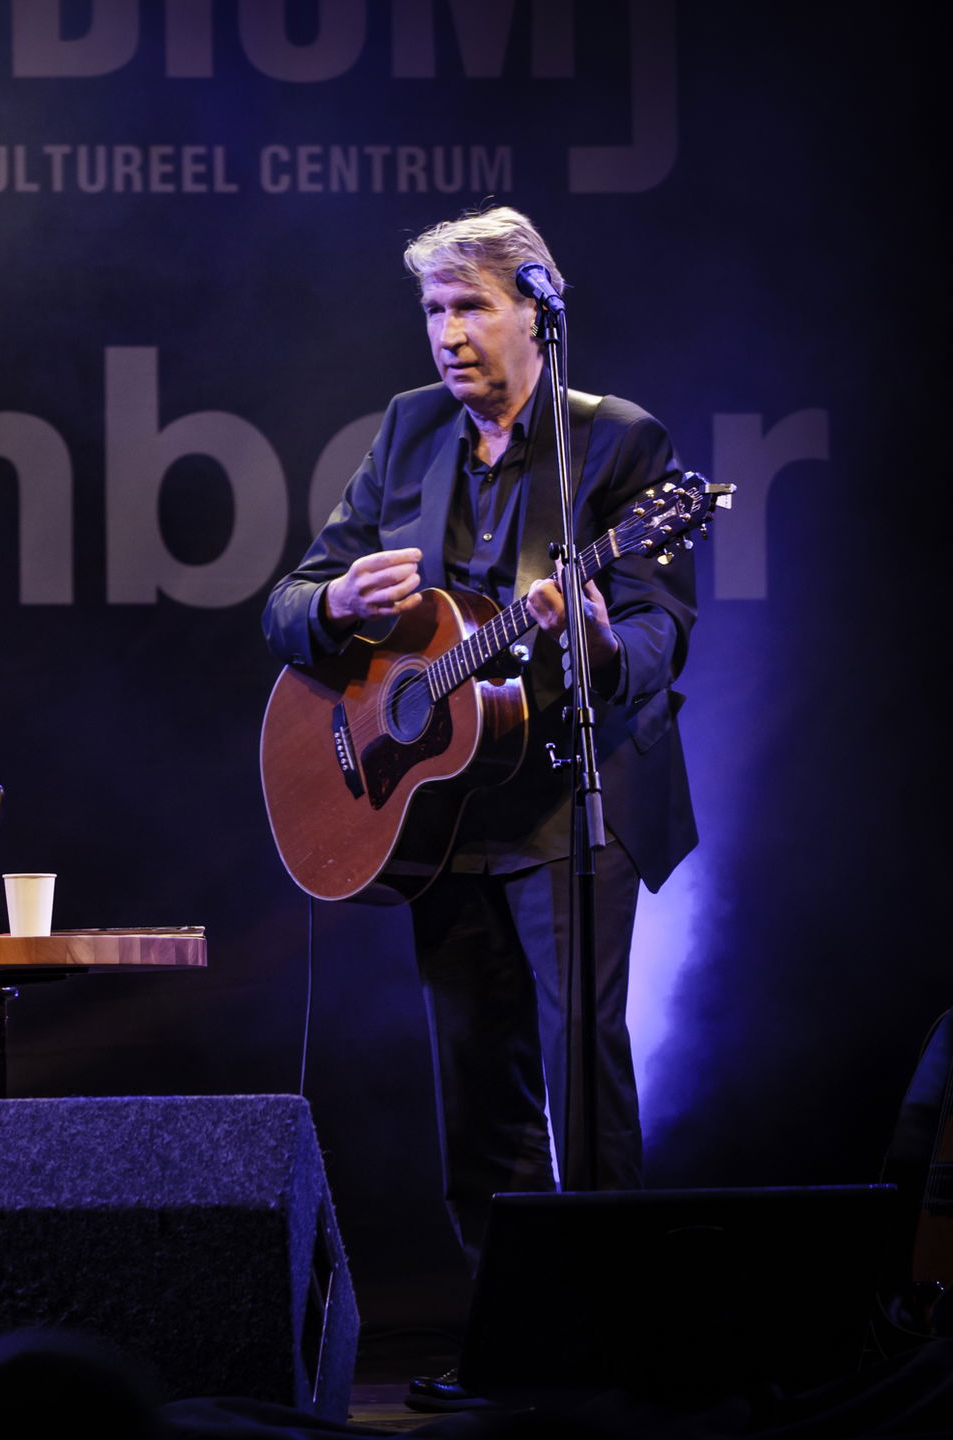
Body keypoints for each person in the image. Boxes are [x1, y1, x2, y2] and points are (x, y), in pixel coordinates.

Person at [261, 207, 698, 1407]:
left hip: (571, 804)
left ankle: (616, 1349)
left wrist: (602, 642)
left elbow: (664, 634)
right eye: (435, 312)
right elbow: (287, 601)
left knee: (583, 1087)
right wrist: (339, 603)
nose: (450, 334)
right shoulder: (405, 434)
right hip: (443, 819)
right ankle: (516, 1343)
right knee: (475, 1102)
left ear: (535, 312)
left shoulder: (620, 448)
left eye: (473, 307)